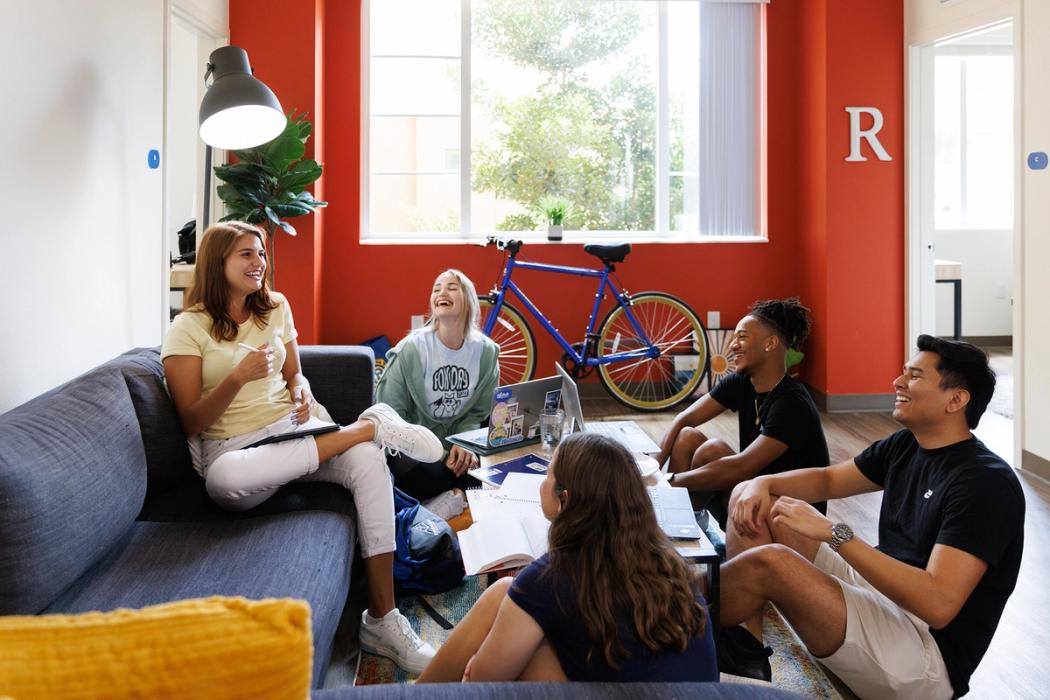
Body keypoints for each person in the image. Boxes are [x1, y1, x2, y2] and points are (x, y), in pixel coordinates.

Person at [161, 221, 443, 674]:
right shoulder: (187, 328)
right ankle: (367, 427)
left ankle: (383, 620)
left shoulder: (274, 307)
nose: (260, 263)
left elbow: (295, 372)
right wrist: (238, 377)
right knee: (223, 480)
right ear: (217, 263)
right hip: (238, 452)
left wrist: (300, 389)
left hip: (296, 431)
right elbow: (190, 419)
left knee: (369, 462)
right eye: (246, 255)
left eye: (261, 254)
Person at [719, 335, 1025, 698]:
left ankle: (662, 621)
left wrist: (836, 534)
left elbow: (938, 604)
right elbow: (828, 478)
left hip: (923, 654)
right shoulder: (907, 445)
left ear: (956, 400)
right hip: (881, 596)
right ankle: (748, 662)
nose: (897, 382)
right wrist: (761, 482)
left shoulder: (986, 482)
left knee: (771, 564)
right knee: (759, 502)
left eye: (914, 376)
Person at [416, 432, 718, 683]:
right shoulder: (669, 561)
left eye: (548, 475)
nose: (542, 483)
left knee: (509, 609)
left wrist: (479, 668)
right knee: (509, 605)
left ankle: (419, 692)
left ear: (565, 500)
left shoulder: (551, 576)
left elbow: (480, 684)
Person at [657, 297, 830, 528]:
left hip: (789, 518)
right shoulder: (742, 382)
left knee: (713, 450)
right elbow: (684, 419)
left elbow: (742, 466)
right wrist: (654, 468)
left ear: (770, 343)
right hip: (753, 493)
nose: (732, 345)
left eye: (742, 337)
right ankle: (685, 521)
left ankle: (685, 522)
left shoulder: (792, 402)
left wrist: (666, 483)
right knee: (688, 436)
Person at [375, 269, 500, 502]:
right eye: (436, 289)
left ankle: (449, 501)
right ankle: (451, 501)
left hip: (461, 447)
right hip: (415, 448)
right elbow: (389, 415)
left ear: (469, 300)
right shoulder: (410, 350)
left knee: (493, 470)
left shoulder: (486, 352)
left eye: (452, 288)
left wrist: (464, 445)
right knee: (430, 475)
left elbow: (478, 413)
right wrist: (441, 454)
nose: (442, 292)